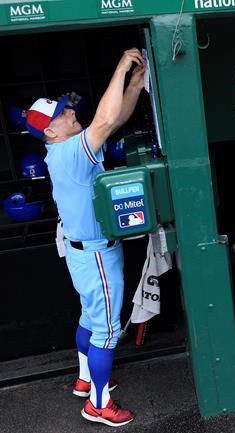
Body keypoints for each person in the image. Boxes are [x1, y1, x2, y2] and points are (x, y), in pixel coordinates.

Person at [25, 48, 145, 427]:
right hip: (95, 255)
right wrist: (122, 66)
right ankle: (97, 403)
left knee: (91, 319)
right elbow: (106, 120)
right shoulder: (68, 153)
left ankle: (84, 378)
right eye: (62, 113)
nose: (71, 111)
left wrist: (135, 86)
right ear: (50, 131)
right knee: (107, 331)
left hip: (84, 253)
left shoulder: (62, 150)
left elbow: (114, 119)